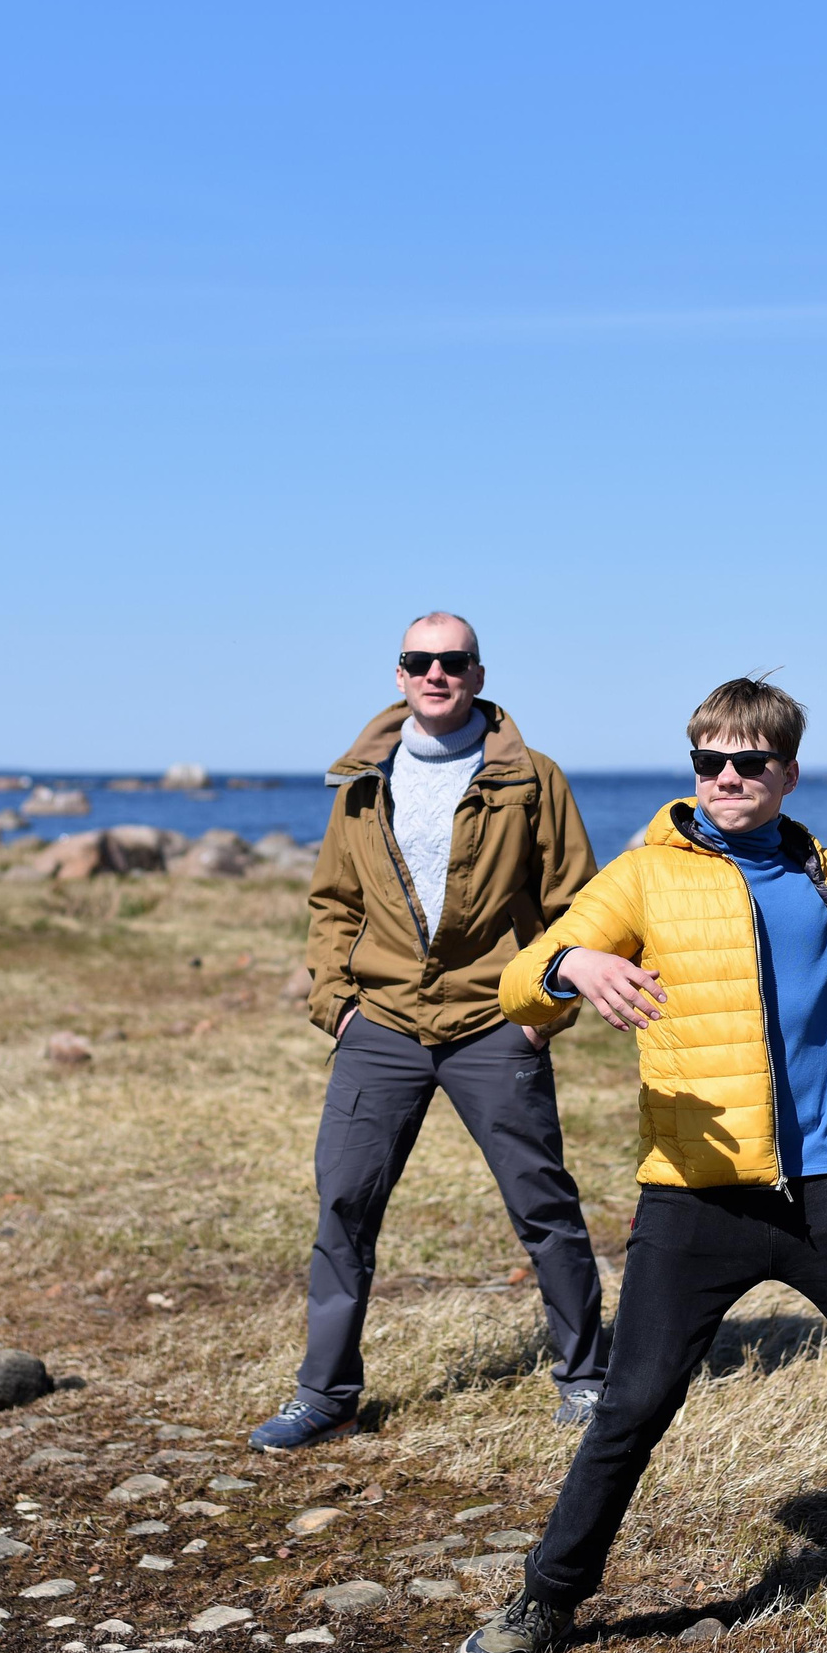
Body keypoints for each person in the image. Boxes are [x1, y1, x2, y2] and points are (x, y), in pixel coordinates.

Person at [457, 675, 827, 1653]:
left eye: (749, 762)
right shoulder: (645, 876)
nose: (727, 778)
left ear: (785, 771)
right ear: (693, 764)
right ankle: (546, 1599)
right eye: (709, 761)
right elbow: (523, 977)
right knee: (632, 1406)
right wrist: (574, 968)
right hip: (694, 1194)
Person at [251, 612, 610, 1452]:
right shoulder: (364, 782)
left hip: (494, 1019)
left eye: (453, 661)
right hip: (379, 1023)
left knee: (543, 1205)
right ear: (401, 673)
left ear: (478, 675)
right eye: (420, 661)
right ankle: (326, 1394)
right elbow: (334, 903)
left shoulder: (533, 778)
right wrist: (335, 1003)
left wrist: (543, 1011)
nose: (436, 673)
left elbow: (577, 908)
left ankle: (588, 1378)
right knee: (343, 1204)